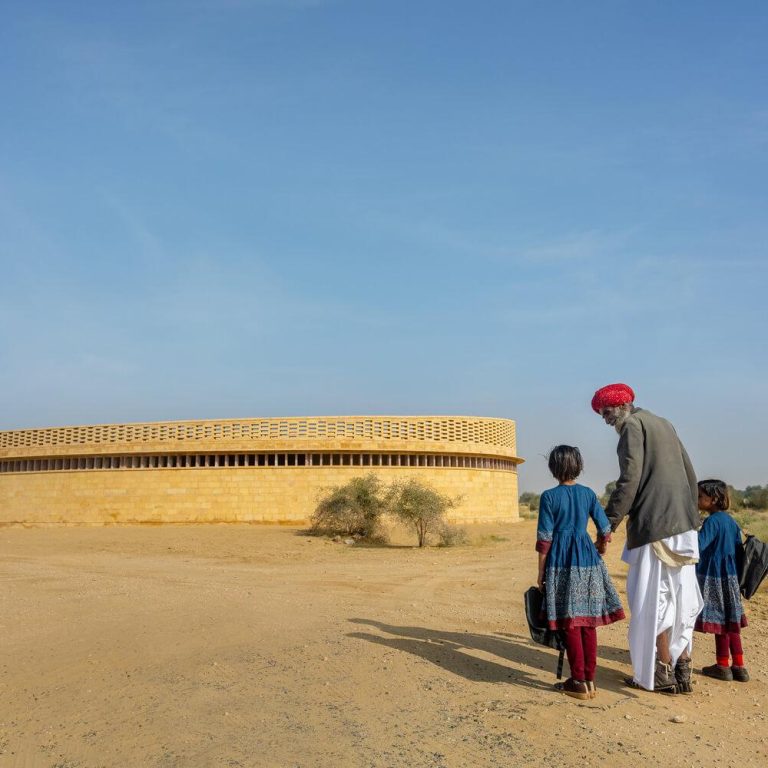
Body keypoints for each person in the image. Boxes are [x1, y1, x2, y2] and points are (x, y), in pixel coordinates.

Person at [592, 382, 702, 694]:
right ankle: (684, 669)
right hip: (684, 525)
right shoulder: (663, 423)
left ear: (622, 406)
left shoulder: (631, 427)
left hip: (656, 527)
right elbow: (688, 472)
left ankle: (662, 673)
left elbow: (630, 480)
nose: (605, 419)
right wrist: (691, 515)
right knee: (683, 599)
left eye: (606, 412)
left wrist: (608, 523)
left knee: (654, 600)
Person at [536, 445, 625, 700]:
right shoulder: (588, 494)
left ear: (554, 468)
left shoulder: (549, 497)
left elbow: (544, 539)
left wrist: (541, 572)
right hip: (588, 558)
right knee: (588, 622)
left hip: (561, 561)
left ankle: (577, 681)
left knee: (571, 621)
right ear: (578, 466)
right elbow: (605, 528)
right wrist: (600, 546)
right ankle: (589, 680)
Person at [695, 479, 749, 682]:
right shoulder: (731, 521)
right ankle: (740, 666)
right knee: (731, 622)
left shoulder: (712, 521)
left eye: (701, 496)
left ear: (714, 499)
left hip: (714, 577)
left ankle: (722, 665)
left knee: (720, 622)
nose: (697, 499)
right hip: (731, 577)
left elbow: (698, 546)